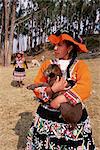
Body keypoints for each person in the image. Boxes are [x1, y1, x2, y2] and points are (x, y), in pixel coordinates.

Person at [26, 30, 96, 149]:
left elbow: (85, 86)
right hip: (47, 116)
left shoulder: (80, 66)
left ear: (69, 48)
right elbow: (37, 84)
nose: (55, 48)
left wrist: (60, 99)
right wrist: (51, 90)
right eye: (54, 45)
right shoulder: (47, 64)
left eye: (59, 45)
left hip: (72, 114)